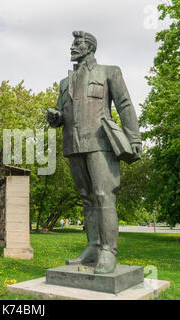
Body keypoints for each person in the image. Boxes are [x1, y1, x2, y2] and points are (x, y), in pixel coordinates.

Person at [46, 31, 142, 274]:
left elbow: (124, 105)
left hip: (100, 142)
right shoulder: (65, 83)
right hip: (73, 144)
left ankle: (109, 251)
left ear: (90, 48)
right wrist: (56, 117)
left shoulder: (110, 72)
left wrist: (134, 138)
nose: (71, 47)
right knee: (87, 197)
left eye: (76, 44)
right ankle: (93, 246)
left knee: (103, 194)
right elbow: (61, 114)